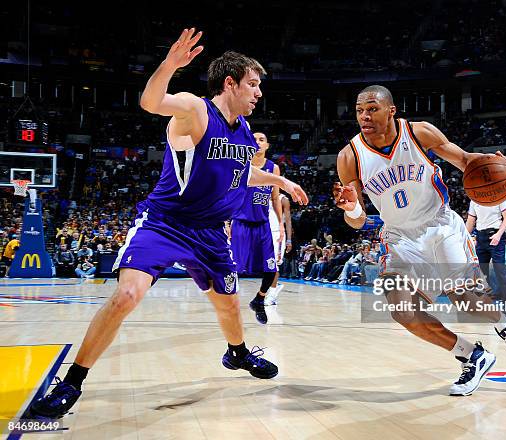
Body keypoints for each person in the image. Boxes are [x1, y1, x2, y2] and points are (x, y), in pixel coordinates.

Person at [30, 28, 308, 419]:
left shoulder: (244, 132)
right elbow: (152, 101)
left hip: (210, 234)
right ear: (230, 83)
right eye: (253, 84)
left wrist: (280, 180)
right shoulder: (195, 110)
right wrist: (169, 65)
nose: (259, 93)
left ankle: (237, 353)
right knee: (127, 295)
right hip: (166, 224)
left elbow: (240, 174)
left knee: (229, 307)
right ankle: (73, 380)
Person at [333, 85, 506, 396]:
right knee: (401, 311)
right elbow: (358, 220)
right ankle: (473, 356)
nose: (364, 116)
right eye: (360, 110)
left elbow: (468, 161)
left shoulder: (419, 133)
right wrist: (351, 208)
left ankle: (505, 324)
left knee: (467, 302)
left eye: (372, 109)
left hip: (440, 226)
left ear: (391, 110)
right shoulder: (349, 156)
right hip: (399, 237)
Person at [230, 131, 284, 324]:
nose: (258, 143)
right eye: (254, 140)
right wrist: (226, 222)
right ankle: (230, 308)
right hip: (241, 224)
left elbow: (275, 197)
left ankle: (259, 300)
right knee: (234, 269)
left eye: (262, 140)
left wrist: (281, 225)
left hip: (262, 225)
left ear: (267, 145)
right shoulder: (239, 165)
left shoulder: (273, 168)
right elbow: (227, 195)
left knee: (271, 270)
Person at [466, 200, 506, 302]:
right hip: (480, 235)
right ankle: (483, 300)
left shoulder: (501, 196)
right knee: (480, 270)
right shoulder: (474, 199)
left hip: (496, 234)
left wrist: (499, 234)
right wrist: (464, 238)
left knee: (500, 270)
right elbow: (470, 220)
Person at [265, 192, 292, 306]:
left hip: (277, 234)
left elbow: (288, 221)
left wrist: (289, 240)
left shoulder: (283, 199)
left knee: (274, 265)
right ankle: (274, 288)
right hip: (265, 233)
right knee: (266, 265)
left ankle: (271, 294)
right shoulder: (263, 196)